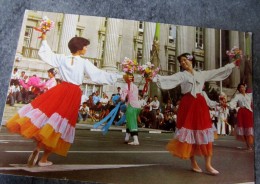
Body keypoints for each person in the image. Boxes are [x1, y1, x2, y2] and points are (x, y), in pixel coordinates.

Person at [6, 33, 122, 167]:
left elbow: (47, 55)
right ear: (80, 48)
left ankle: (38, 148)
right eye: (85, 46)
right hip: (72, 93)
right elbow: (98, 75)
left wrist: (44, 39)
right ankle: (44, 159)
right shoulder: (84, 62)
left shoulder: (62, 58)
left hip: (60, 90)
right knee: (59, 125)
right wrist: (118, 76)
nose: (86, 48)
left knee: (49, 119)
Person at [153, 52, 239, 175]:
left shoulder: (202, 74)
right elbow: (168, 79)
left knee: (205, 134)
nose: (183, 63)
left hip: (200, 105)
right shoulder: (181, 75)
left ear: (191, 60)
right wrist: (153, 76)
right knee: (189, 135)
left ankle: (208, 165)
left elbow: (217, 71)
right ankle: (193, 163)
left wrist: (232, 64)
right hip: (187, 105)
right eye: (181, 61)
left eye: (185, 60)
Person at [228, 82, 253, 150]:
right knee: (244, 129)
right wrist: (228, 105)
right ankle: (248, 145)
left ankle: (251, 143)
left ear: (245, 88)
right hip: (242, 112)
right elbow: (232, 102)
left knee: (250, 128)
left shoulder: (249, 95)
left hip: (249, 112)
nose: (242, 88)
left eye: (243, 87)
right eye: (240, 87)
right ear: (239, 89)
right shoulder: (238, 96)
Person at [121, 74, 141, 145]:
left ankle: (136, 140)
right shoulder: (135, 86)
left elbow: (123, 99)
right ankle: (126, 138)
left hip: (131, 106)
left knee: (132, 122)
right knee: (129, 122)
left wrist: (119, 99)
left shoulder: (126, 86)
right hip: (137, 107)